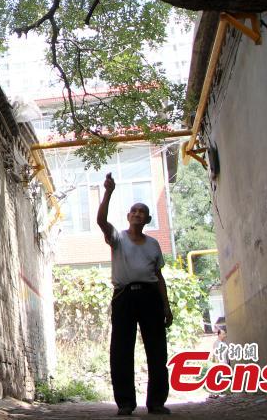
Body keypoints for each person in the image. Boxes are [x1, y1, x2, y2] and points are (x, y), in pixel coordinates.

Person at [97, 172, 172, 416]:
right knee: (121, 350)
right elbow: (101, 221)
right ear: (129, 216)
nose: (137, 214)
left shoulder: (153, 244)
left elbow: (158, 276)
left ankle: (156, 402)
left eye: (142, 212)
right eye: (134, 211)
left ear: (147, 219)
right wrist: (108, 192)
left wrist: (166, 306)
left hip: (150, 297)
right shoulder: (117, 238)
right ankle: (126, 403)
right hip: (124, 297)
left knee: (157, 349)